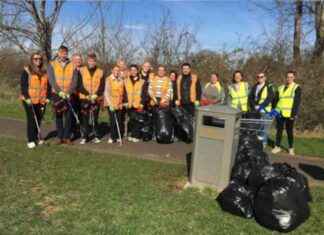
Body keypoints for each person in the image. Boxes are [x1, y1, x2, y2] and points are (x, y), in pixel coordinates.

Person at [47, 45, 78, 144]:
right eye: (62, 52)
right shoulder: (52, 64)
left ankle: (67, 137)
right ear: (58, 53)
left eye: (65, 53)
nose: (63, 54)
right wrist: (59, 91)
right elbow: (51, 80)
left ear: (67, 53)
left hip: (69, 94)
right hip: (57, 94)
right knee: (58, 115)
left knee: (68, 116)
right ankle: (60, 137)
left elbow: (75, 81)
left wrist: (69, 92)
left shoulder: (73, 65)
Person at [20, 51, 50, 149]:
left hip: (42, 99)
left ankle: (37, 136)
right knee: (32, 119)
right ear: (32, 60)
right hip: (29, 99)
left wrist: (48, 97)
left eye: (40, 59)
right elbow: (23, 85)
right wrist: (27, 98)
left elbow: (48, 86)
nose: (38, 61)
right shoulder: (27, 71)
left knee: (39, 118)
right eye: (36, 59)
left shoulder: (44, 71)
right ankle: (31, 140)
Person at [272, 71, 301, 156]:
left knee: (289, 131)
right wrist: (273, 112)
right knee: (279, 131)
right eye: (288, 77)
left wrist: (293, 114)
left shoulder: (296, 87)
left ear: (294, 78)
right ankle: (277, 147)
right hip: (279, 113)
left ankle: (291, 148)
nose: (289, 78)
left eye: (291, 77)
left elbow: (296, 102)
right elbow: (275, 101)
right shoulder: (280, 88)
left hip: (289, 114)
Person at [77, 53, 105, 144]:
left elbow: (102, 86)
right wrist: (88, 94)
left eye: (93, 61)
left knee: (95, 118)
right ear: (87, 61)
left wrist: (96, 95)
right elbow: (79, 85)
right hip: (85, 98)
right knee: (85, 118)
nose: (91, 62)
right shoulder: (81, 70)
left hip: (95, 98)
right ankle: (85, 137)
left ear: (95, 61)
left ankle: (96, 136)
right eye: (90, 60)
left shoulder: (100, 72)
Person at [248, 72, 274, 146]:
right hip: (256, 111)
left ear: (265, 78)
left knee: (264, 129)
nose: (260, 78)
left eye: (261, 77)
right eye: (258, 77)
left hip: (266, 111)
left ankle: (263, 144)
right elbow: (250, 97)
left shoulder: (269, 86)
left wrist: (261, 106)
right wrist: (253, 106)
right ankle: (257, 143)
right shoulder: (255, 86)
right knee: (258, 128)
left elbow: (270, 98)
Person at [124, 64, 148, 142]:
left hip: (138, 104)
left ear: (137, 71)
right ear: (130, 71)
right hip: (130, 104)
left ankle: (136, 136)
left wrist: (142, 103)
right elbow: (124, 93)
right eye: (131, 70)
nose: (133, 71)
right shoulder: (126, 81)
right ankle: (133, 134)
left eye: (135, 70)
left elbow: (145, 94)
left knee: (138, 120)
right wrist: (126, 102)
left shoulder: (142, 81)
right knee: (132, 120)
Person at [104, 66, 125, 144]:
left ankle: (117, 136)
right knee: (113, 120)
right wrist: (110, 104)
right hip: (111, 103)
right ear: (112, 70)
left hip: (119, 103)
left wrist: (121, 102)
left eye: (118, 70)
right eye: (115, 70)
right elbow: (106, 92)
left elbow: (122, 92)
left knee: (119, 120)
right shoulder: (108, 79)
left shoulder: (121, 80)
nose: (116, 71)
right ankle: (112, 137)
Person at [70, 53, 83, 139]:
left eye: (79, 59)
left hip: (82, 96)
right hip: (72, 95)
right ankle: (72, 132)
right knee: (72, 115)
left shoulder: (84, 70)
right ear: (73, 60)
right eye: (76, 59)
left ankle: (83, 131)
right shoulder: (70, 69)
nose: (78, 61)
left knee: (82, 114)